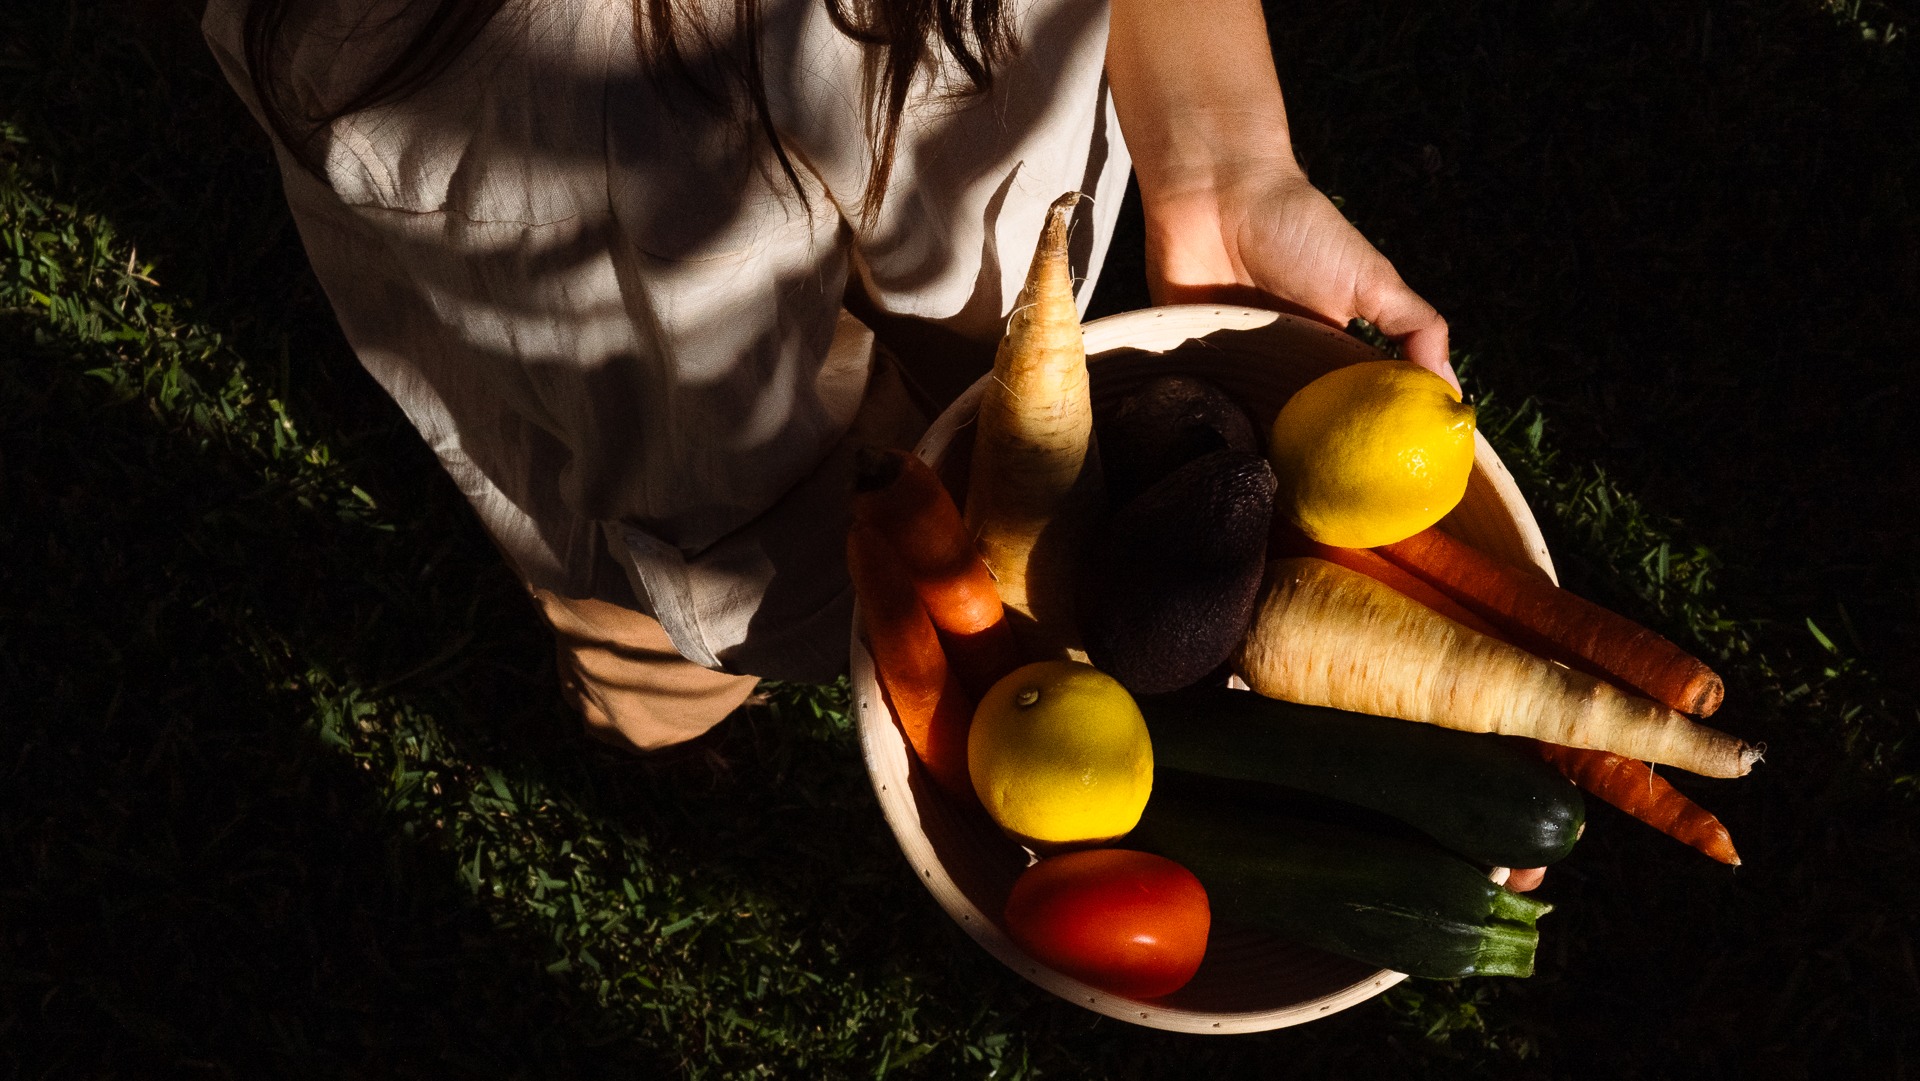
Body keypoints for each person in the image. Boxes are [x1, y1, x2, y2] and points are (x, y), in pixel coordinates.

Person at [203, 0, 1451, 753]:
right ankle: (650, 707)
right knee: (654, 590)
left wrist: (1218, 153)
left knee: (957, 359)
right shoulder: (500, 82)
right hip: (565, 180)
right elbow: (707, 509)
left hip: (942, 135)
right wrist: (932, 624)